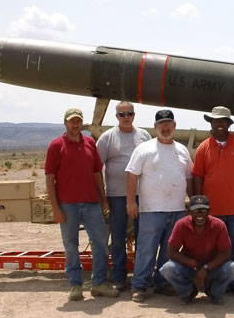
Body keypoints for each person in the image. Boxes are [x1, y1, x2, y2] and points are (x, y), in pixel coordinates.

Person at [45, 108, 120, 300]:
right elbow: (49, 178)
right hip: (67, 204)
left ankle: (99, 284)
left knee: (101, 242)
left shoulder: (89, 144)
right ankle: (75, 285)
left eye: (78, 121)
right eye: (72, 121)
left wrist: (103, 200)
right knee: (71, 245)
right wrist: (55, 209)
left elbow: (97, 173)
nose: (75, 125)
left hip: (91, 203)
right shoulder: (56, 146)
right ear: (65, 123)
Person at [126, 109, 193, 302]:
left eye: (168, 124)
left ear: (174, 126)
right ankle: (139, 285)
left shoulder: (181, 150)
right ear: (155, 127)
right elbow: (132, 175)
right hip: (151, 210)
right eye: (161, 124)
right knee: (146, 250)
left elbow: (189, 176)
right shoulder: (144, 149)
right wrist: (131, 201)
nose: (165, 127)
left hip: (177, 210)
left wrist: (194, 203)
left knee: (168, 250)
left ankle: (162, 283)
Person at [192, 106, 234, 297]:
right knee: (213, 251)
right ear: (210, 123)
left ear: (229, 124)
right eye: (215, 120)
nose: (219, 124)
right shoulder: (204, 147)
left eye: (223, 121)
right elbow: (197, 176)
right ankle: (220, 283)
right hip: (212, 212)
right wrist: (198, 203)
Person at [96, 101, 151, 291]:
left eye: (129, 113)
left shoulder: (144, 136)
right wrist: (103, 198)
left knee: (144, 237)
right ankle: (119, 276)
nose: (126, 117)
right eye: (122, 114)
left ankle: (141, 276)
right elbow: (96, 168)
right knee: (118, 237)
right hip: (117, 196)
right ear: (116, 116)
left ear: (134, 115)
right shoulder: (107, 138)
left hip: (141, 195)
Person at [160, 195, 234, 305]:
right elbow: (171, 252)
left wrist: (206, 268)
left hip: (212, 269)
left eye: (203, 210)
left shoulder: (219, 225)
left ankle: (214, 292)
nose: (199, 214)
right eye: (195, 210)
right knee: (167, 269)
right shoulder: (181, 224)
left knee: (233, 269)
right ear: (189, 212)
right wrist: (194, 264)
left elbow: (226, 254)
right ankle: (188, 292)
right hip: (190, 268)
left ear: (209, 211)